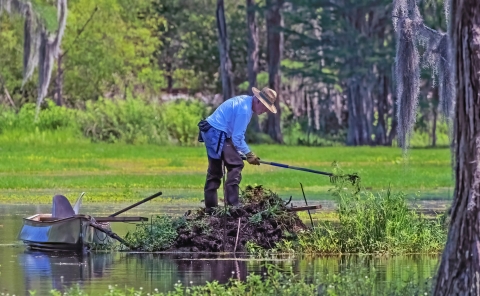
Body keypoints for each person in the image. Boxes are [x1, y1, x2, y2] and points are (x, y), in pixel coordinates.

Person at [198, 87, 277, 210]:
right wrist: (249, 154)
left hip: (215, 131)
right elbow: (237, 137)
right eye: (266, 107)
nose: (265, 111)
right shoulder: (245, 110)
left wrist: (239, 152)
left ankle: (216, 207)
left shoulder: (246, 103)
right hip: (216, 132)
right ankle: (232, 206)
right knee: (232, 166)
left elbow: (235, 136)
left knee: (223, 168)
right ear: (258, 101)